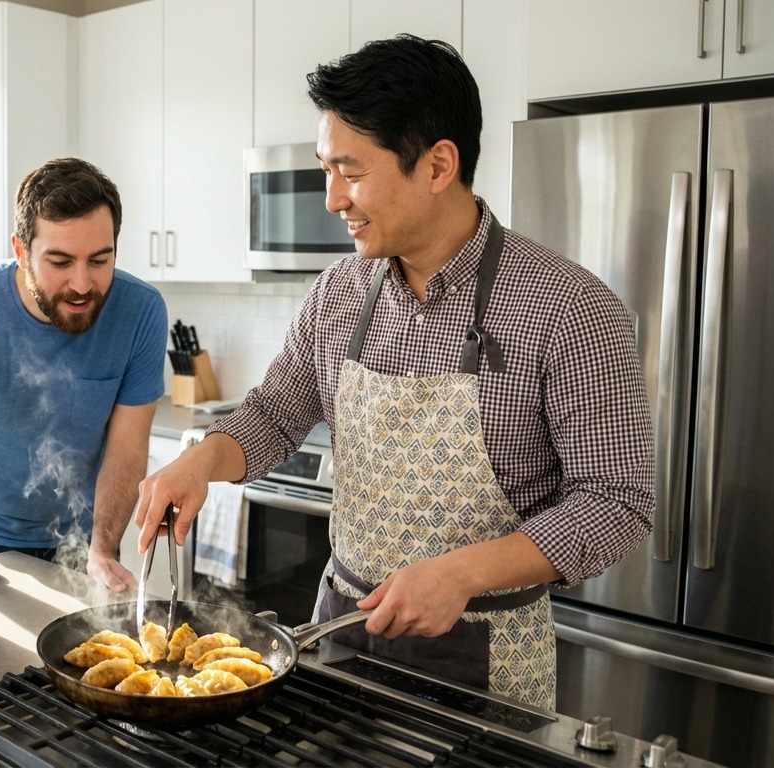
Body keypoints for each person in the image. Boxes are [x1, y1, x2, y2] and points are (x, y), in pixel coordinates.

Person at [134, 35, 653, 710]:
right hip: (338, 635)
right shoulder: (338, 292)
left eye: (349, 171)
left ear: (438, 165)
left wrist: (462, 573)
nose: (330, 199)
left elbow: (617, 501)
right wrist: (203, 461)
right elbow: (274, 414)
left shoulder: (569, 308)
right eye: (326, 169)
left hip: (485, 657)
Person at [0, 157, 168, 591]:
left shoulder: (142, 311)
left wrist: (103, 549)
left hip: (89, 545)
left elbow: (126, 449)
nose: (82, 283)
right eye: (60, 261)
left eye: (99, 260)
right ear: (20, 250)